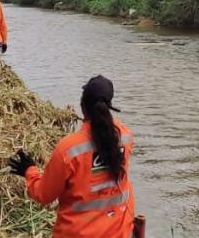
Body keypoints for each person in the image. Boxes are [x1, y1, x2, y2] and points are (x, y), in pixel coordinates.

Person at [9, 75, 135, 238]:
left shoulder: (69, 149)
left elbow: (44, 195)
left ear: (82, 106)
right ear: (109, 105)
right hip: (120, 233)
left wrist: (29, 171)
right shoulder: (125, 137)